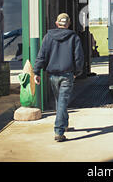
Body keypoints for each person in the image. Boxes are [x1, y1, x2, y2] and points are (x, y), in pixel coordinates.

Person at [33, 13, 84, 142]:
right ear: (68, 24)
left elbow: (41, 55)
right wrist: (77, 72)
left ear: (57, 23)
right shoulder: (74, 37)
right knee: (61, 101)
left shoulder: (48, 37)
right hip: (67, 74)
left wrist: (37, 72)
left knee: (60, 101)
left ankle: (64, 124)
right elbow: (79, 57)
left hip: (53, 75)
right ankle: (59, 131)